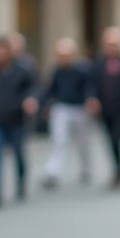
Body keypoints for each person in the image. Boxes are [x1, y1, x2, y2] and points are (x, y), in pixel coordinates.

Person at [0, 36, 39, 208]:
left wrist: (31, 100)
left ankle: (20, 183)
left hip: (16, 120)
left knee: (18, 154)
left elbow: (33, 88)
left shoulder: (22, 70)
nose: (0, 55)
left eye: (3, 52)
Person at [87, 27, 120, 189]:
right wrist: (93, 99)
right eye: (109, 44)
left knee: (117, 138)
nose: (112, 47)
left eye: (115, 44)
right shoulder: (99, 63)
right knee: (110, 141)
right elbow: (92, 84)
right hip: (105, 110)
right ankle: (117, 171)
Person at [41, 37, 93, 189]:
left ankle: (86, 168)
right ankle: (53, 172)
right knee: (59, 141)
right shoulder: (56, 71)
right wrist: (45, 105)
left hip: (79, 109)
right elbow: (50, 90)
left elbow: (89, 88)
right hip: (62, 108)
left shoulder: (82, 70)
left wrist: (90, 100)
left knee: (82, 142)